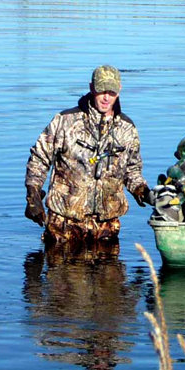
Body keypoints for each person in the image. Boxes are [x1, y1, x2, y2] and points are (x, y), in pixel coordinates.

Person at [24, 65, 151, 244]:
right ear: (91, 88)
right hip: (64, 224)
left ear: (119, 90)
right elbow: (39, 158)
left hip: (106, 227)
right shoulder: (65, 122)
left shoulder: (127, 129)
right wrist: (33, 195)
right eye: (101, 91)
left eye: (112, 92)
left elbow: (132, 170)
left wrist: (142, 190)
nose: (106, 97)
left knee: (110, 270)